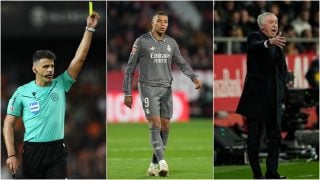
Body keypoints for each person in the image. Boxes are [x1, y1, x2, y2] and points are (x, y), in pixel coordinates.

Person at [2, 12, 100, 178]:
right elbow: (8, 124)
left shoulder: (61, 84)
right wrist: (11, 154)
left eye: (52, 66)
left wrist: (89, 28)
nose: (50, 70)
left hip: (56, 151)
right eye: (45, 66)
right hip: (32, 151)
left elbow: (80, 58)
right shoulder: (22, 92)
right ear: (34, 69)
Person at [123, 11, 201, 177]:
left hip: (166, 88)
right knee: (155, 124)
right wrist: (127, 92)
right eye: (159, 21)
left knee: (166, 126)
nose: (163, 24)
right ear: (153, 23)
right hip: (148, 88)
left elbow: (181, 61)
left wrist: (193, 77)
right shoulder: (141, 42)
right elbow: (130, 69)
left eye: (165, 21)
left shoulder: (171, 43)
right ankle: (163, 163)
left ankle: (153, 164)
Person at [236, 12, 288, 179]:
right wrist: (268, 42)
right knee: (254, 140)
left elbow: (282, 71)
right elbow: (254, 46)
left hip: (273, 100)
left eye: (276, 22)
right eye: (271, 22)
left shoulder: (279, 43)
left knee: (275, 138)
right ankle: (257, 174)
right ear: (262, 26)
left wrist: (283, 90)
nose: (275, 25)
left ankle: (272, 172)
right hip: (256, 99)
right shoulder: (254, 37)